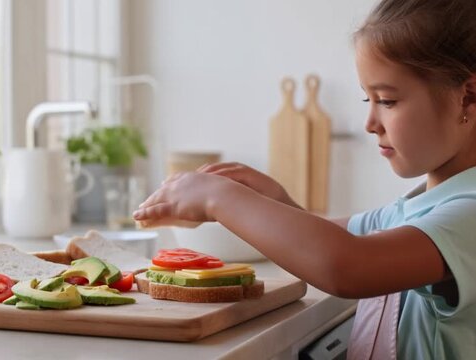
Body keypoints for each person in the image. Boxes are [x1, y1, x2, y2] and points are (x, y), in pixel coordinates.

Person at [133, 0, 476, 358]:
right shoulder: (423, 205)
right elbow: (333, 239)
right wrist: (275, 201)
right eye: (367, 99)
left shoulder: (469, 216)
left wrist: (219, 197)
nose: (370, 123)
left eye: (387, 100)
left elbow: (347, 264)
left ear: (467, 97)